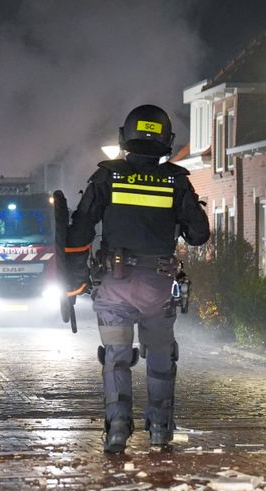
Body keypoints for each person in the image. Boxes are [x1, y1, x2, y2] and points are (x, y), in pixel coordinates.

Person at [64, 105, 210, 453]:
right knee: (160, 356)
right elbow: (199, 235)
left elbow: (77, 233)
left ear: (124, 137)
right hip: (157, 287)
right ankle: (160, 428)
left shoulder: (106, 177)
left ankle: (117, 428)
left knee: (115, 356)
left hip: (114, 286)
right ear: (167, 141)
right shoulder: (176, 181)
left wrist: (77, 278)